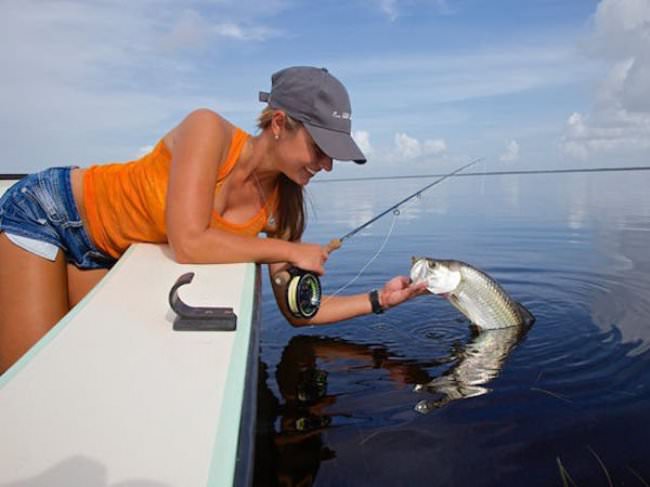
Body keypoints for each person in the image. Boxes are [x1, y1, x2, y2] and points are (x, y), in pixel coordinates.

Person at [0, 66, 427, 374]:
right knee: (30, 378)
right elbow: (188, 240)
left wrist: (379, 301)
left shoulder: (284, 208)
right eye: (319, 148)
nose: (326, 165)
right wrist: (289, 250)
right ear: (279, 123)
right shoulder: (208, 130)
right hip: (50, 214)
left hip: (107, 256)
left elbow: (300, 313)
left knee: (78, 371)